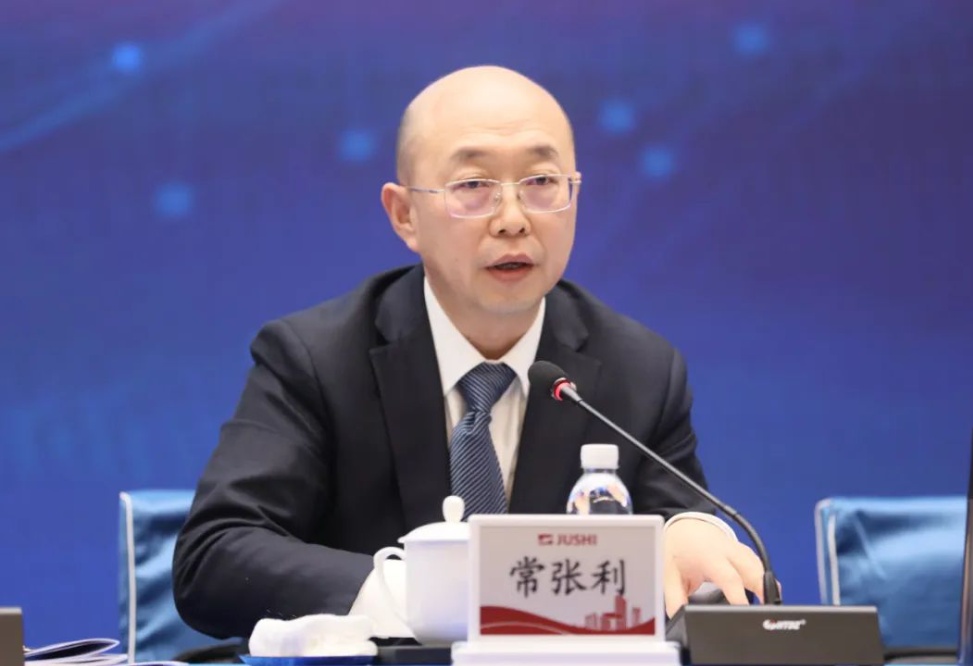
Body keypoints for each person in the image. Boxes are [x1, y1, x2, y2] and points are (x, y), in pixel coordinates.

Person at [172, 65, 766, 641]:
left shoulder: (639, 371)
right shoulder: (316, 359)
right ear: (405, 215)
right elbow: (214, 556)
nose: (512, 220)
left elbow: (682, 531)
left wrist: (693, 534)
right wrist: (434, 597)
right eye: (474, 187)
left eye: (541, 182)